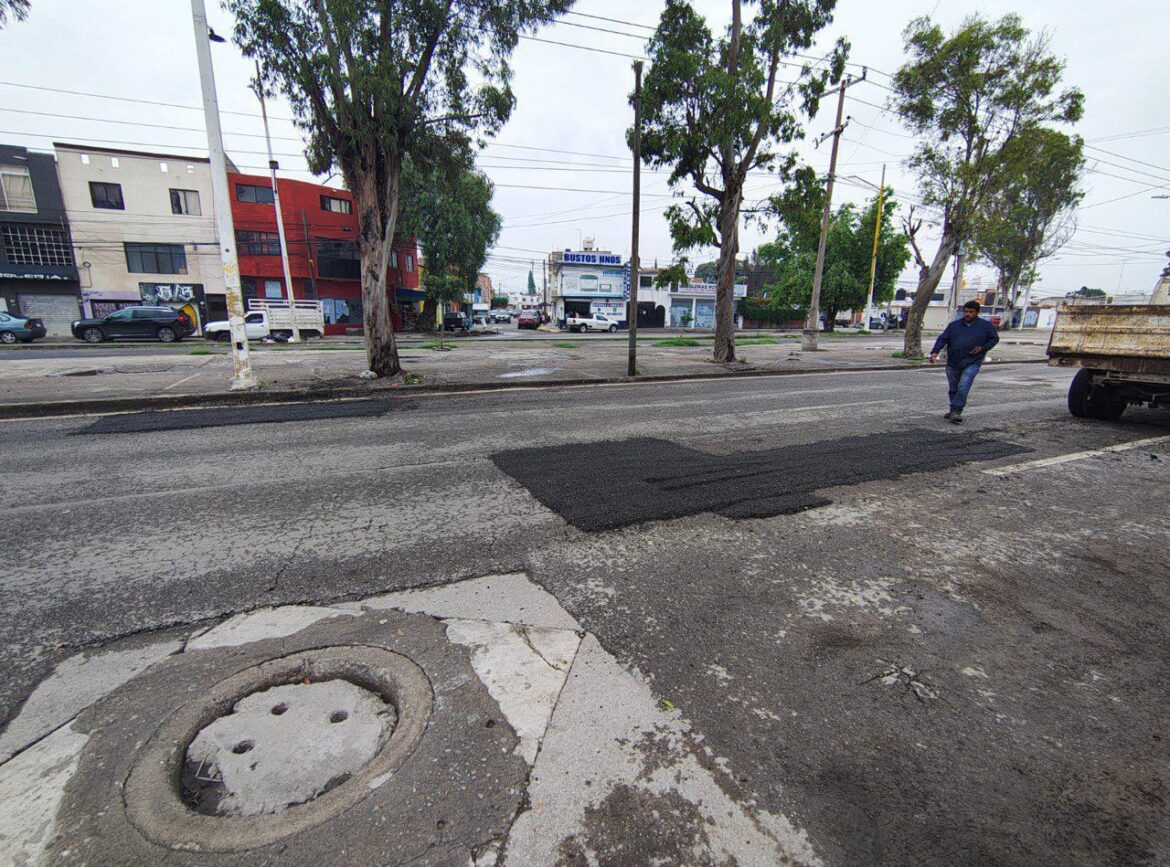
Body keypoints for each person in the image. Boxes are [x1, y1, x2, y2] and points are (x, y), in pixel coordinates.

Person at [930, 300, 999, 423]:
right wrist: (935, 352)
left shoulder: (985, 326)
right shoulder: (954, 326)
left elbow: (994, 339)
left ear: (977, 312)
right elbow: (942, 339)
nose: (968, 314)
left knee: (963, 386)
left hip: (972, 361)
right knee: (953, 388)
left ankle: (956, 410)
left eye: (971, 312)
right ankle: (953, 409)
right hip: (953, 361)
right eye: (966, 311)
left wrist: (983, 348)